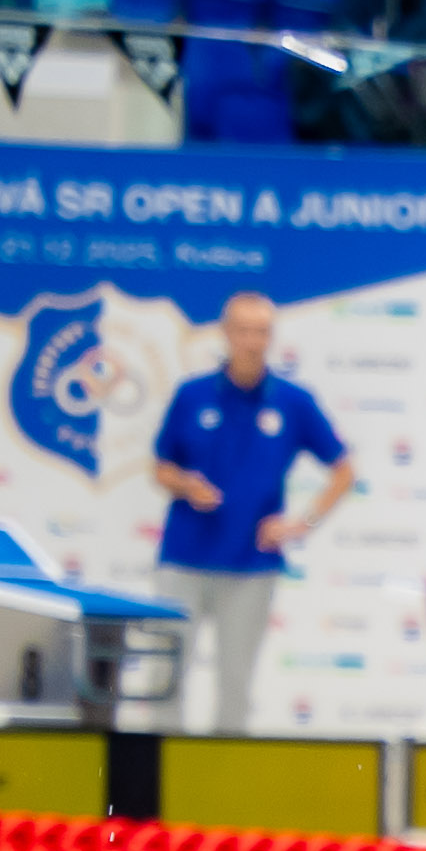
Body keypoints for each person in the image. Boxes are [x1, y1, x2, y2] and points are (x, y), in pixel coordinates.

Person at [149, 292, 353, 737]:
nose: (251, 341)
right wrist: (186, 485)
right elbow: (161, 466)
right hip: (184, 556)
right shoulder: (192, 395)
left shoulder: (293, 402)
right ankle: (156, 790)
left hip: (251, 564)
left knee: (236, 683)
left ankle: (223, 790)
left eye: (261, 332)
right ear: (225, 333)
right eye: (242, 331)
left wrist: (303, 524)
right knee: (164, 678)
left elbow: (343, 469)